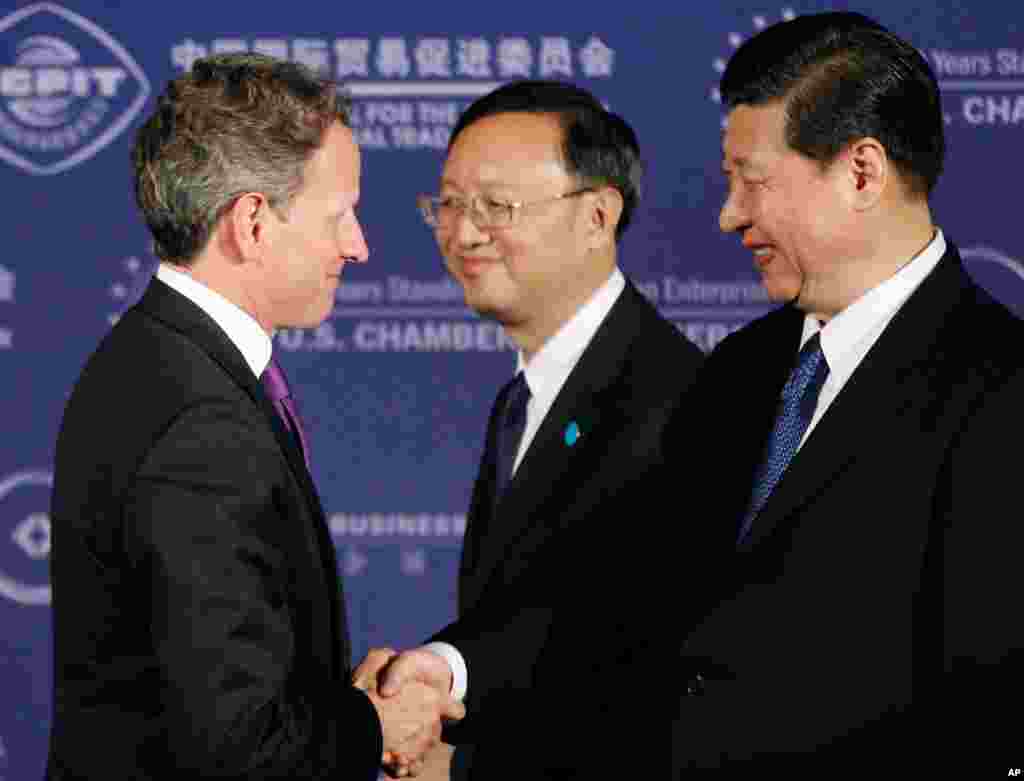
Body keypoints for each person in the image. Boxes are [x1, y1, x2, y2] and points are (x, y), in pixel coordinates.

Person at [47, 53, 461, 780]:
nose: (358, 244)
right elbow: (241, 746)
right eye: (340, 215)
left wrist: (336, 700)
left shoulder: (157, 359)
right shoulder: (197, 419)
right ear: (252, 224)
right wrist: (376, 722)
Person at [665, 11, 1023, 772]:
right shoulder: (733, 373)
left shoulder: (1001, 387)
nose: (730, 215)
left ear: (862, 171)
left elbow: (987, 708)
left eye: (751, 182)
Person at [356, 80, 704, 779]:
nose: (463, 232)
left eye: (497, 206)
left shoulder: (675, 400)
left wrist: (443, 691)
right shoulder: (526, 395)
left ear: (598, 214)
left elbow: (617, 640)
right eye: (449, 204)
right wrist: (426, 676)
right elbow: (522, 618)